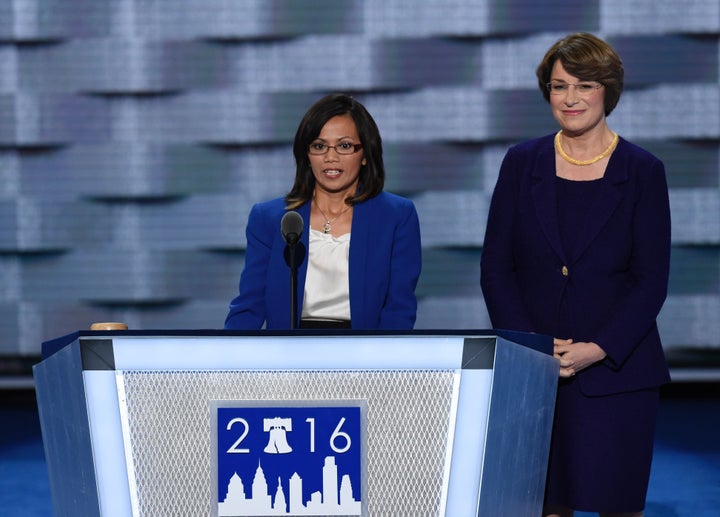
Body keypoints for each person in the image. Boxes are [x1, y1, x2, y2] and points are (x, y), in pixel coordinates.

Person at [480, 33, 671, 517]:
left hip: (618, 372)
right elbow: (497, 267)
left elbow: (650, 279)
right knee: (544, 504)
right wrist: (534, 346)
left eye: (584, 86)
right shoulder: (522, 163)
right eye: (558, 86)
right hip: (536, 373)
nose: (569, 99)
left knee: (618, 504)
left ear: (608, 90)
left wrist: (597, 347)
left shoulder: (643, 171)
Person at [225, 93, 422, 330]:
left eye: (345, 146)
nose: (330, 157)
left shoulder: (397, 216)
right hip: (288, 356)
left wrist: (380, 364)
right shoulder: (270, 218)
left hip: (365, 354)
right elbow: (250, 305)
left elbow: (399, 310)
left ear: (365, 156)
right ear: (307, 156)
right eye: (319, 146)